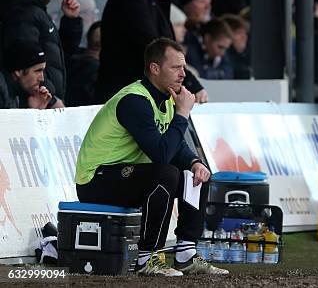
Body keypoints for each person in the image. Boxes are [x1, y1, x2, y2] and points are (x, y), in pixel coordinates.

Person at [75, 38, 228, 277]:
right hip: (96, 179)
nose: (183, 74)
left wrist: (195, 162)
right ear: (155, 68)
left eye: (184, 67)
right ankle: (147, 257)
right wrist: (183, 114)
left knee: (196, 174)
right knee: (166, 173)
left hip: (128, 176)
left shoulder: (166, 100)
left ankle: (187, 253)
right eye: (176, 67)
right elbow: (161, 154)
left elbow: (174, 147)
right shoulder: (134, 100)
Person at [95, 0, 207, 104]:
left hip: (135, 93)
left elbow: (165, 40)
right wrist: (190, 84)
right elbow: (155, 46)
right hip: (126, 95)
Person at [0, 0, 83, 103]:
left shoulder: (37, 11)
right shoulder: (23, 14)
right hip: (40, 101)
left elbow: (61, 53)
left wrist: (71, 20)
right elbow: (26, 64)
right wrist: (51, 99)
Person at [0, 41, 63, 109]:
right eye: (37, 71)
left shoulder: (18, 90)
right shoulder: (3, 90)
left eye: (43, 71)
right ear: (18, 72)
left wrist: (35, 110)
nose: (42, 79)